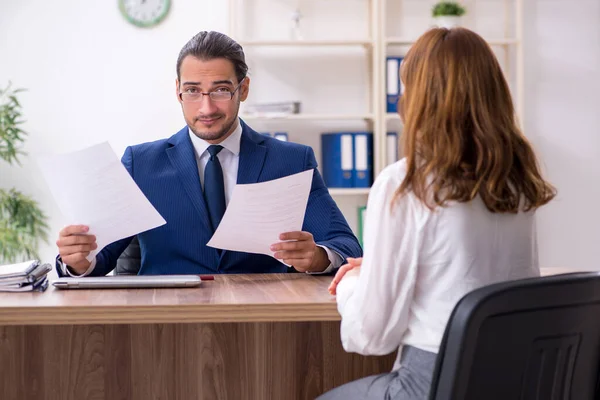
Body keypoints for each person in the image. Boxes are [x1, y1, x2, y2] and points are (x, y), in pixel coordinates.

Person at [320, 27, 556, 400]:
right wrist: (376, 267)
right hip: (516, 379)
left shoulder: (406, 183)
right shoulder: (516, 182)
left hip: (434, 383)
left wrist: (352, 284)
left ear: (419, 99)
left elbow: (371, 336)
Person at [55, 31, 362, 277]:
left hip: (265, 322)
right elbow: (100, 256)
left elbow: (347, 246)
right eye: (192, 91)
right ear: (178, 91)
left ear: (243, 89)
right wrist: (78, 260)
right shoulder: (141, 163)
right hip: (163, 326)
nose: (207, 108)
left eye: (220, 90)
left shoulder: (292, 161)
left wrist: (318, 257)